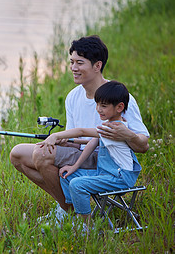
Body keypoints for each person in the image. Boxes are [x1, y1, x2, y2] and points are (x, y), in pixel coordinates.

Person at [9, 35, 149, 214]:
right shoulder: (73, 96)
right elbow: (76, 138)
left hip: (107, 161)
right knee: (18, 154)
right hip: (81, 152)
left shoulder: (118, 97)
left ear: (97, 65)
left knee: (42, 155)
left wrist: (128, 135)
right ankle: (69, 206)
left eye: (80, 63)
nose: (73, 68)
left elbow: (143, 145)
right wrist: (62, 141)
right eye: (71, 62)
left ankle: (67, 211)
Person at [37, 81, 142, 221]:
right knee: (67, 175)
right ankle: (69, 211)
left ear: (119, 107)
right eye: (97, 104)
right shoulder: (108, 125)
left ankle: (85, 225)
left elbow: (81, 131)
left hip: (120, 177)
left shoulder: (115, 128)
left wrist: (55, 135)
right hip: (106, 172)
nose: (98, 109)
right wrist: (74, 166)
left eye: (103, 106)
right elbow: (93, 141)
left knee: (77, 184)